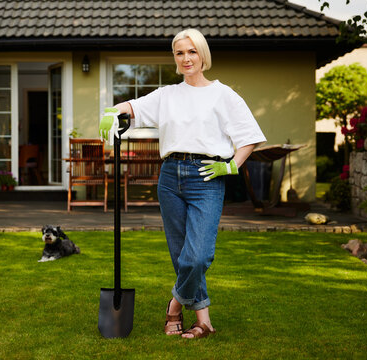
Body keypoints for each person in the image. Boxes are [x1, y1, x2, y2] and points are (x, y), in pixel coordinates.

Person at [99, 28, 266, 339]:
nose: (186, 58)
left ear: (203, 55)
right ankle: (203, 321)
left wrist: (230, 165)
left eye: (192, 51)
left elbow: (249, 138)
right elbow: (132, 107)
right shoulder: (167, 95)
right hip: (170, 177)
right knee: (181, 255)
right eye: (180, 53)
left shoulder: (223, 94)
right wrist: (111, 112)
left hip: (206, 177)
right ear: (175, 58)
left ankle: (174, 307)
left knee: (198, 255)